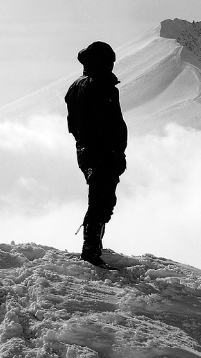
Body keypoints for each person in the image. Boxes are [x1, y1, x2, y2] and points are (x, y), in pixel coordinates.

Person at [64, 41, 127, 268]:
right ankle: (91, 249)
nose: (111, 65)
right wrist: (114, 152)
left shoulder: (76, 87)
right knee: (102, 201)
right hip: (102, 153)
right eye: (109, 61)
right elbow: (108, 124)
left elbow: (74, 124)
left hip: (86, 151)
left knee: (99, 198)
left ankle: (93, 246)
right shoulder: (101, 86)